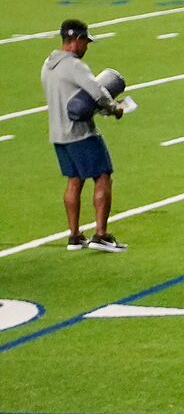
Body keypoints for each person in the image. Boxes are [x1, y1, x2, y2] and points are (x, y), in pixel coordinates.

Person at [43, 19, 128, 252]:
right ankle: (100, 235)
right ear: (77, 40)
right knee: (102, 176)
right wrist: (114, 109)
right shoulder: (74, 66)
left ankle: (74, 235)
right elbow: (97, 93)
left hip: (58, 134)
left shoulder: (48, 64)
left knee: (74, 180)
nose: (86, 47)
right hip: (80, 134)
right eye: (86, 42)